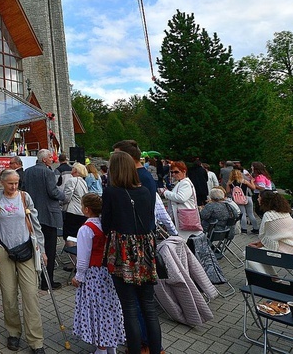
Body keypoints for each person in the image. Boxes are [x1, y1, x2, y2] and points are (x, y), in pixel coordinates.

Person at [102, 151, 161, 354]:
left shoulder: (111, 192)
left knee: (129, 308)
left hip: (122, 253)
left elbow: (106, 224)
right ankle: (156, 350)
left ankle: (134, 350)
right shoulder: (145, 191)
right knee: (149, 307)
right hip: (145, 251)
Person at [0, 169, 48, 354]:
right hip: (3, 249)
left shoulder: (25, 197)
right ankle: (13, 332)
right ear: (2, 182)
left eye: (16, 183)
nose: (14, 186)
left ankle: (36, 341)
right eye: (10, 183)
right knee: (9, 295)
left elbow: (35, 224)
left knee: (31, 295)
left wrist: (42, 249)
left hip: (26, 248)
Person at [71, 193, 125, 354]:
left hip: (94, 274)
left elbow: (83, 258)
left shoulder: (86, 229)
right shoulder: (106, 224)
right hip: (108, 272)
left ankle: (101, 348)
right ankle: (111, 346)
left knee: (97, 310)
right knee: (110, 307)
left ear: (86, 209)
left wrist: (78, 276)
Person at [23, 149, 65, 290]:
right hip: (48, 215)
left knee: (32, 247)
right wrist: (64, 195)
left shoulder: (27, 171)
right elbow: (53, 192)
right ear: (44, 160)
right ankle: (47, 282)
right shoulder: (48, 172)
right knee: (49, 249)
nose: (52, 159)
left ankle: (32, 279)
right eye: (50, 157)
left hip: (31, 215)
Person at [247, 191, 293, 274]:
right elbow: (272, 236)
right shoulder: (285, 213)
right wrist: (260, 244)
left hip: (289, 256)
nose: (257, 199)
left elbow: (264, 236)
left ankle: (271, 279)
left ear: (265, 200)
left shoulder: (269, 215)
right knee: (259, 253)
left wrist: (259, 244)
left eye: (259, 197)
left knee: (250, 253)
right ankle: (273, 279)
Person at [160, 161, 202, 240]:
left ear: (184, 171)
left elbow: (181, 198)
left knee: (184, 239)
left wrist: (165, 192)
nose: (174, 174)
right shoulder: (181, 182)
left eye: (176, 172)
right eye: (172, 172)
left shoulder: (185, 183)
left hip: (185, 217)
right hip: (183, 216)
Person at [61, 162, 88, 239]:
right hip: (81, 212)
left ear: (76, 170)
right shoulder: (83, 182)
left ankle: (70, 249)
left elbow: (67, 197)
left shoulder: (72, 180)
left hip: (72, 211)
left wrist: (60, 203)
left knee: (70, 236)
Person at [228, 169, 258, 234]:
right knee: (251, 214)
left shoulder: (229, 183)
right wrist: (252, 181)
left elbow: (227, 192)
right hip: (247, 198)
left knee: (243, 213)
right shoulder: (244, 181)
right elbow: (253, 188)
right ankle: (256, 228)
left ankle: (244, 229)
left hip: (238, 200)